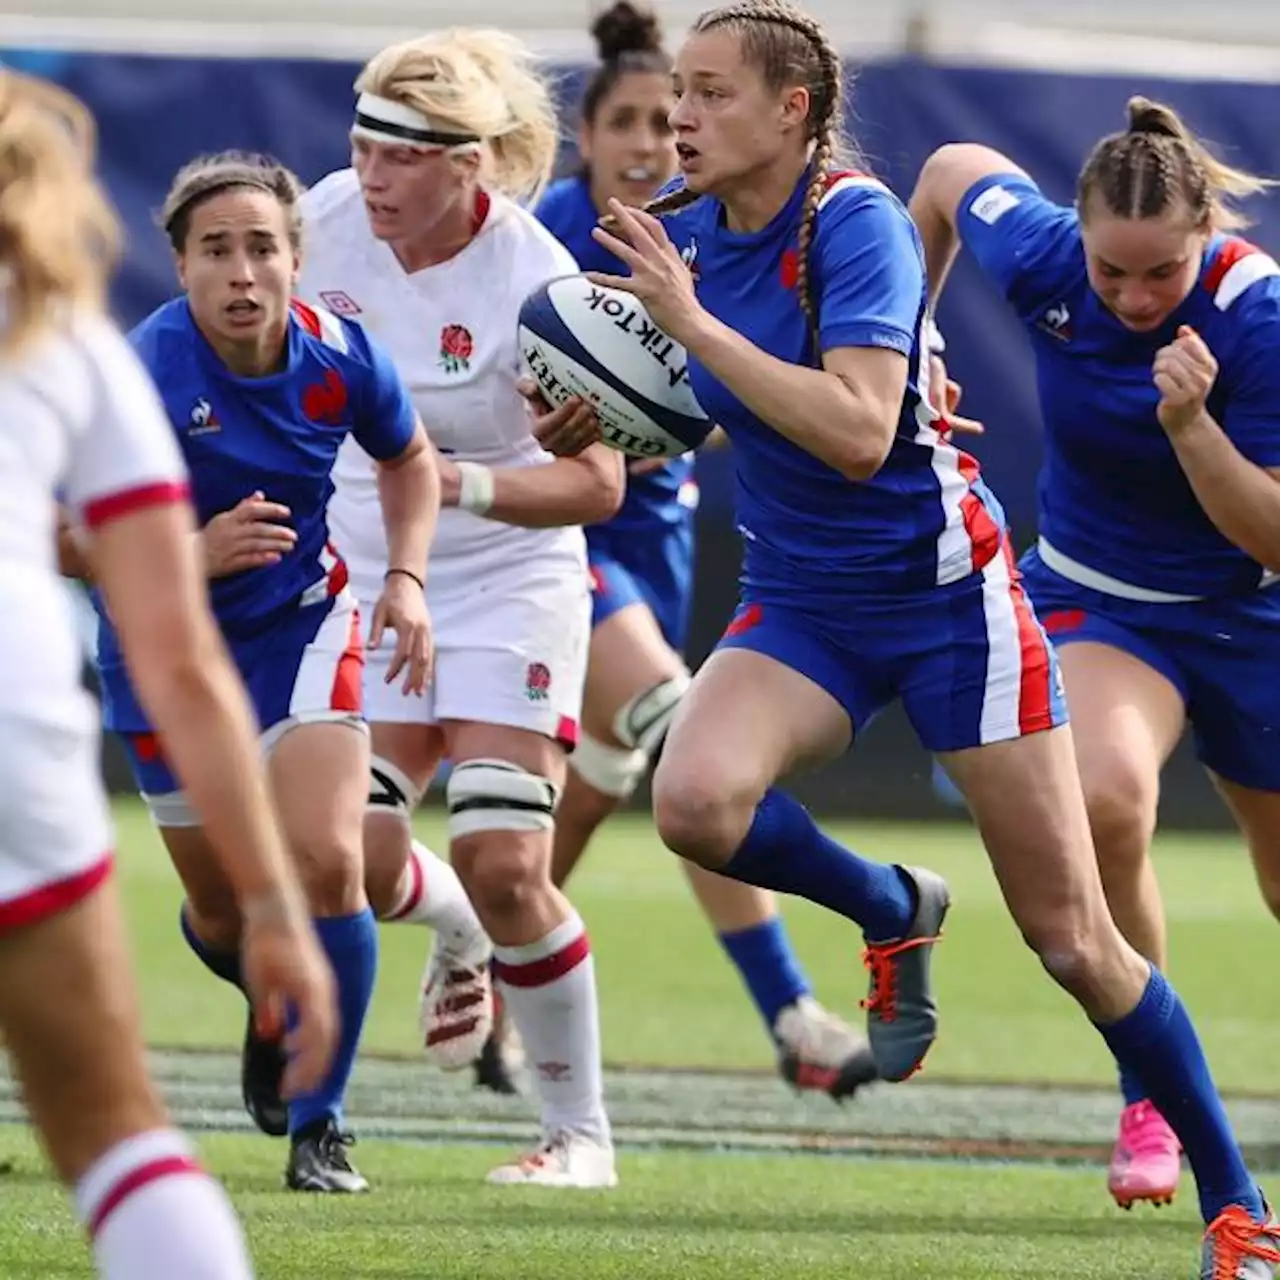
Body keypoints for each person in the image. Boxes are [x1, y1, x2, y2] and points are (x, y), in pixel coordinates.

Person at [539, 2, 1277, 1272]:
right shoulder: (689, 240)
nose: (678, 119)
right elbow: (722, 415)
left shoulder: (853, 222)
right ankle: (889, 906)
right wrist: (603, 420)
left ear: (791, 112)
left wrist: (706, 325)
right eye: (678, 95)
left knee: (1072, 940)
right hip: (803, 598)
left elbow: (856, 431)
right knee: (696, 799)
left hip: (950, 605)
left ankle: (1236, 1203)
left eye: (709, 95)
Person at [909, 97, 1280, 1223]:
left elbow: (1266, 537)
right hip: (1099, 600)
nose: (1125, 298)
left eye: (1153, 275)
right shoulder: (1037, 253)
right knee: (1103, 795)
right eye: (1106, 273)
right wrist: (902, 346)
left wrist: (1190, 426)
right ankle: (1149, 1089)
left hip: (1252, 613)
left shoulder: (1255, 319)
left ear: (1204, 231)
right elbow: (942, 168)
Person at [2, 72, 336, 1278]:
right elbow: (178, 653)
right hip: (17, 723)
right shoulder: (84, 349)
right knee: (112, 1133)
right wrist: (273, 915)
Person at [297, 28, 624, 1187]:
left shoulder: (541, 284)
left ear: (469, 166)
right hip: (367, 573)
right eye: (361, 147)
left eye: (400, 157)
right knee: (351, 863)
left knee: (500, 853)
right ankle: (455, 928)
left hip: (505, 576)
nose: (371, 176)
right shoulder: (322, 222)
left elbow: (597, 483)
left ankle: (579, 1136)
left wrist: (463, 482)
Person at [533, 0, 874, 1099]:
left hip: (659, 535)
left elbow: (720, 393)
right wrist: (556, 431)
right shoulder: (544, 237)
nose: (653, 136)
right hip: (553, 541)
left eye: (672, 110)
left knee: (599, 777)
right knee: (679, 737)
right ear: (582, 139)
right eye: (632, 118)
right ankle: (793, 1004)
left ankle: (492, 972)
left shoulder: (719, 227)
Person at [82, 150, 437, 1195]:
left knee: (330, 858)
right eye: (215, 251)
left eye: (262, 249)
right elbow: (57, 531)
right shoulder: (141, 374)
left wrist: (405, 578)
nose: (242, 272)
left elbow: (408, 459)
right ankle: (271, 997)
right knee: (227, 913)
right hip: (160, 644)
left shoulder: (338, 356)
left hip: (302, 626)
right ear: (181, 267)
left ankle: (319, 1123)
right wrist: (188, 555)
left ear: (294, 259)